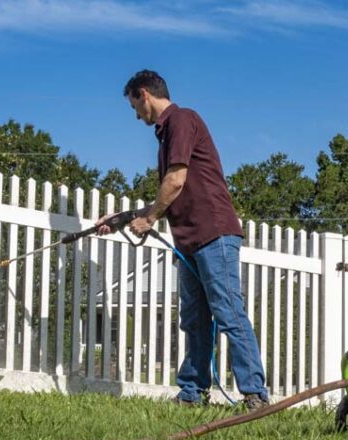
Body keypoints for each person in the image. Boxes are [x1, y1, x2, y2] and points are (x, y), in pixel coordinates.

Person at [97, 69, 269, 410]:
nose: (136, 115)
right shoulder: (167, 134)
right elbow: (171, 191)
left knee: (228, 311)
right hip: (190, 240)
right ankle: (192, 393)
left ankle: (255, 394)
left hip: (214, 234)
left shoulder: (182, 120)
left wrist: (150, 219)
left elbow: (175, 181)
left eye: (134, 106)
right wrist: (122, 219)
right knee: (194, 318)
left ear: (143, 94)